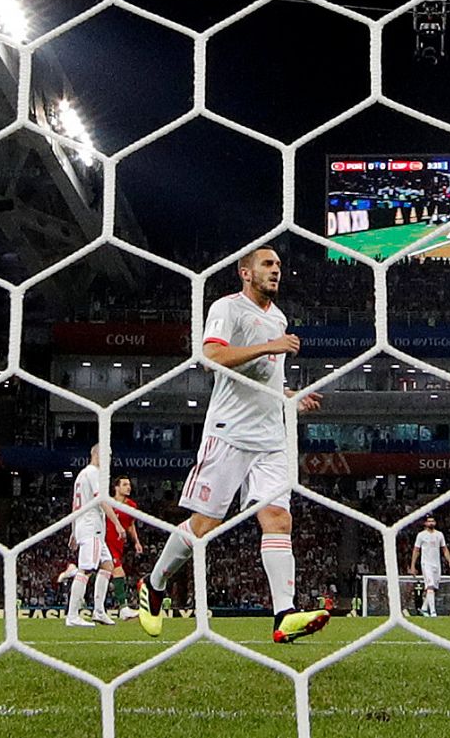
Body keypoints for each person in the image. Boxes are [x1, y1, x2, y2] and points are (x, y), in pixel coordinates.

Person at [137, 246, 329, 643]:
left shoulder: (278, 317)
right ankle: (154, 586)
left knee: (278, 519)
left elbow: (264, 379)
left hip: (271, 437)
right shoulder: (227, 308)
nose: (276, 270)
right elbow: (211, 355)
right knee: (204, 527)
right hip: (229, 433)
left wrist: (290, 396)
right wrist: (270, 346)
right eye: (268, 264)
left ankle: (284, 615)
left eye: (279, 265)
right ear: (246, 273)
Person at [65, 443, 117, 627]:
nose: (109, 460)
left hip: (84, 526)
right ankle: (72, 616)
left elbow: (74, 505)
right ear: (97, 454)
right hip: (91, 526)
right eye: (107, 455)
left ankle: (99, 611)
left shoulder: (81, 475)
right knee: (85, 569)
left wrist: (73, 530)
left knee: (108, 565)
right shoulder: (95, 473)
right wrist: (117, 524)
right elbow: (101, 500)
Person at [107, 475, 143, 620]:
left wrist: (136, 542)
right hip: (105, 542)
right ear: (116, 487)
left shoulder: (131, 506)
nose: (129, 487)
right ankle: (123, 608)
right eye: (125, 484)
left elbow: (130, 525)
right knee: (118, 572)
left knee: (97, 573)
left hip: (118, 545)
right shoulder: (107, 502)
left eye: (129, 484)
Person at [409, 515, 450, 617]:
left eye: (433, 521)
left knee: (434, 588)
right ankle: (433, 612)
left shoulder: (439, 535)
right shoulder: (421, 535)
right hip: (426, 564)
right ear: (425, 523)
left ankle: (424, 609)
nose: (431, 523)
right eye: (429, 521)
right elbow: (416, 550)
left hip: (436, 564)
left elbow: (444, 549)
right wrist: (412, 566)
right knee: (430, 586)